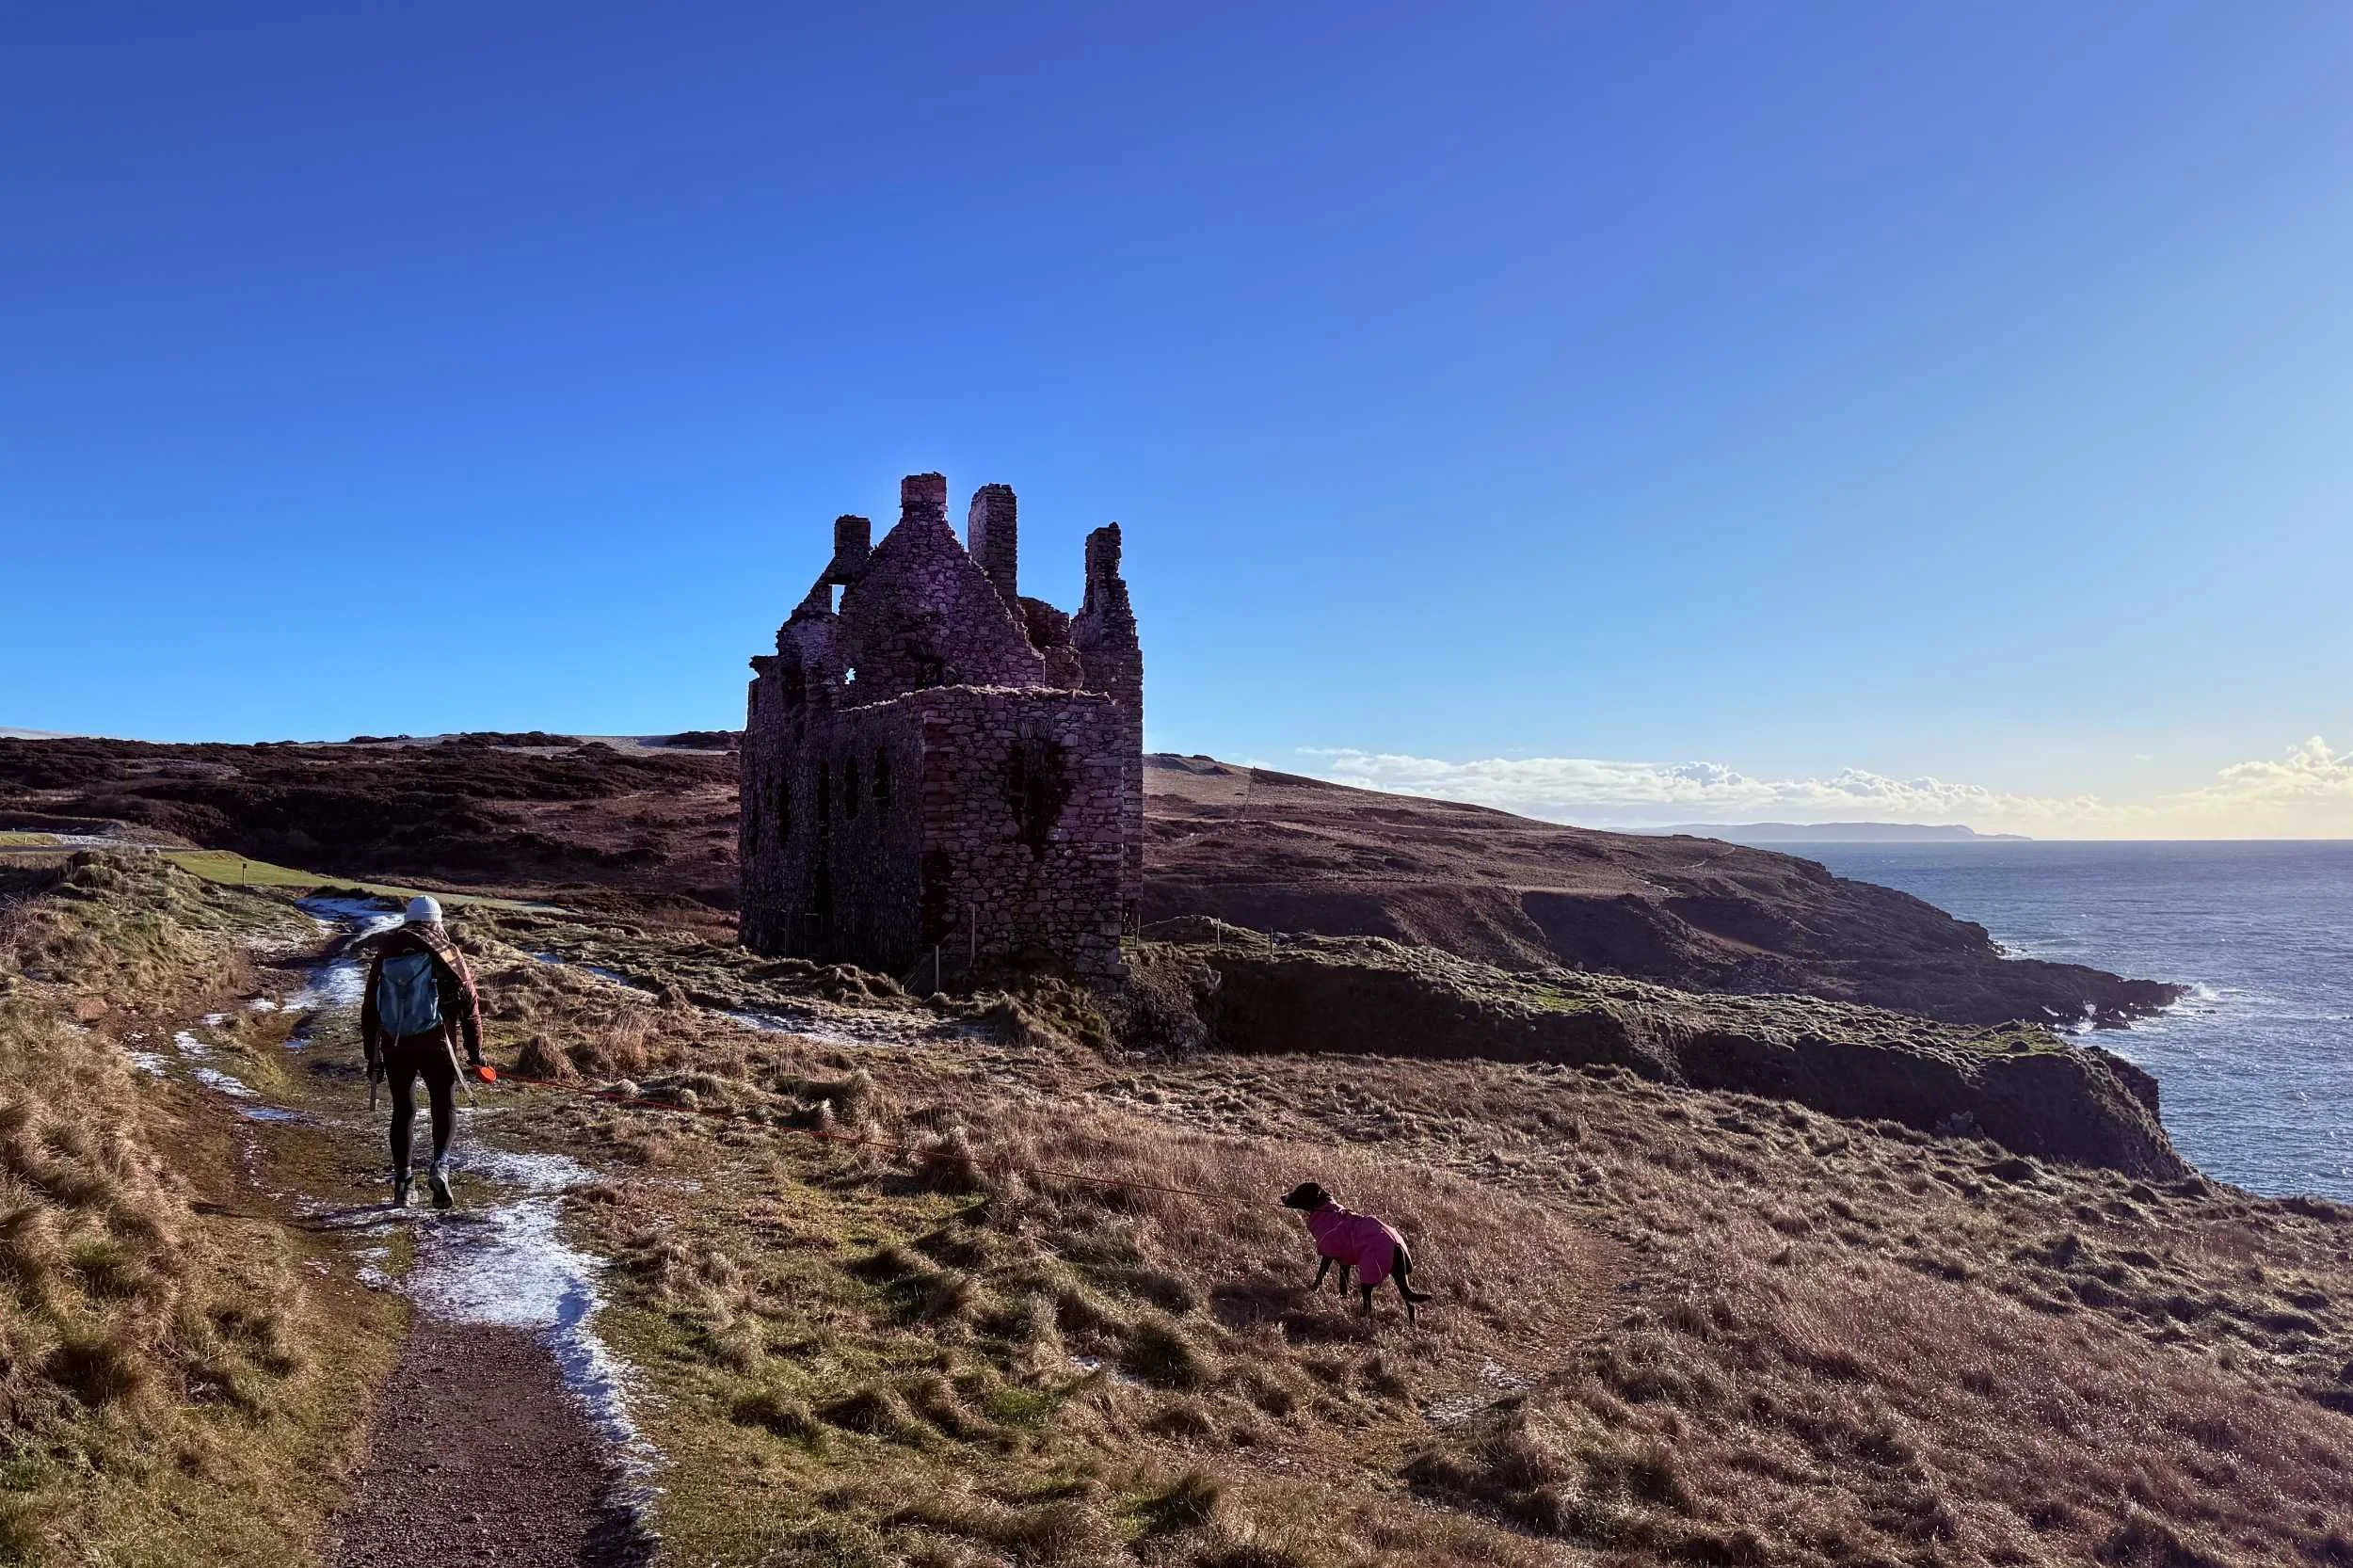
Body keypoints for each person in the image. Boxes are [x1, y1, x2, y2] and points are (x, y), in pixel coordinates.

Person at [360, 895, 486, 1208]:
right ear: (437, 921)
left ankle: (403, 1185)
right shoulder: (447, 951)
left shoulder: (387, 950)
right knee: (444, 1103)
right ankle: (440, 1167)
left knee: (404, 1110)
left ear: (409, 919)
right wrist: (475, 1053)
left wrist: (371, 1057)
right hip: (438, 1043)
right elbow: (470, 1006)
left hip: (395, 1043)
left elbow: (369, 1007)